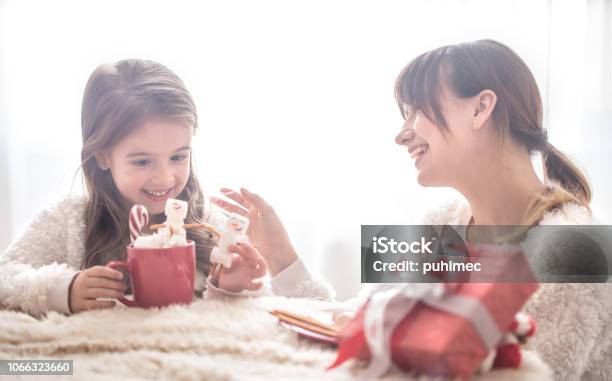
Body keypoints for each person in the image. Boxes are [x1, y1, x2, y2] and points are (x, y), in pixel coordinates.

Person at [215, 40, 612, 380]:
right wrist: (282, 258)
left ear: (481, 108)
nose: (401, 134)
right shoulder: (439, 223)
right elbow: (358, 324)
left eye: (416, 110)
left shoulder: (577, 250)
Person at [0, 59, 332, 317]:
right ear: (102, 155)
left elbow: (310, 318)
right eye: (142, 161)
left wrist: (231, 290)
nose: (164, 178)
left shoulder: (211, 227)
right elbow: (5, 277)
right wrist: (63, 290)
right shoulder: (71, 221)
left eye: (178, 156)